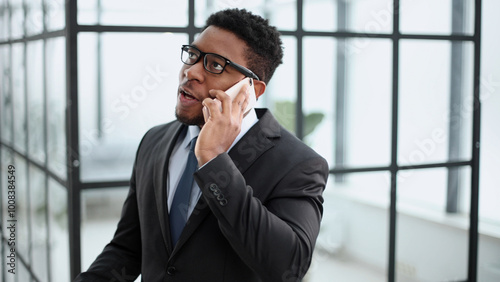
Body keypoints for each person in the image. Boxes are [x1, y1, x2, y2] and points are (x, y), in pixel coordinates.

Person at [75, 8, 328, 282]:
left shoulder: (298, 164)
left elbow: (287, 266)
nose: (191, 72)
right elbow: (127, 249)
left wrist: (214, 159)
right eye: (193, 55)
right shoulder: (154, 141)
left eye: (216, 65)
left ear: (251, 91)